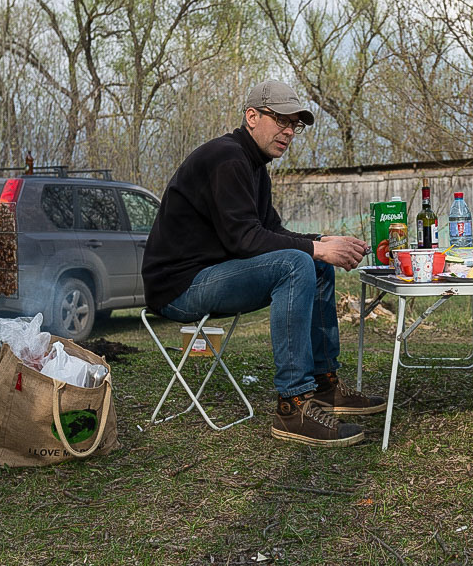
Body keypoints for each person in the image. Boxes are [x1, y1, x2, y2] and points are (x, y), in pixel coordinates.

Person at [142, 80, 385, 447]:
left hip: (210, 275)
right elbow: (244, 239)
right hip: (178, 287)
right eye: (281, 120)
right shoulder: (226, 159)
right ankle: (293, 405)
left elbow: (268, 229)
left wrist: (321, 242)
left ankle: (323, 386)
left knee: (313, 263)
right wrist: (315, 250)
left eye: (294, 125)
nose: (288, 131)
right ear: (251, 117)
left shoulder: (254, 165)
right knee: (296, 264)